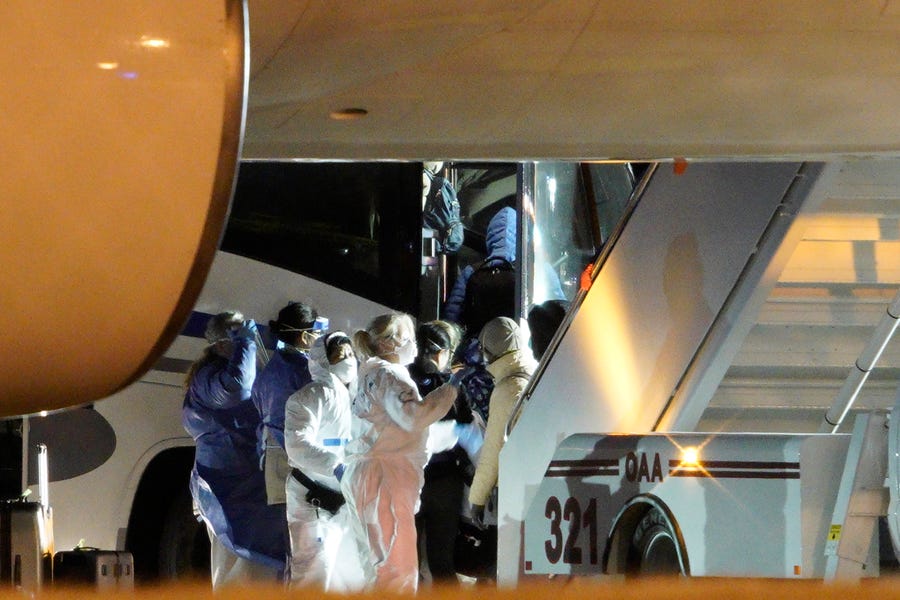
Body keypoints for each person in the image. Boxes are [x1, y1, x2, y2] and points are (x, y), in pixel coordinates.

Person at [340, 313, 466, 594]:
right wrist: (451, 389)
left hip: (367, 477)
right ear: (386, 344)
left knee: (376, 569)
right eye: (406, 338)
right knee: (397, 571)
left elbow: (394, 431)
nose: (413, 344)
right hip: (384, 481)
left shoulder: (366, 374)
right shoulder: (388, 374)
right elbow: (412, 418)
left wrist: (451, 434)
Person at [182, 311, 286, 588]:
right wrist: (247, 344)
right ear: (220, 344)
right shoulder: (208, 378)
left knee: (253, 568)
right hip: (226, 489)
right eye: (237, 335)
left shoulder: (238, 369)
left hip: (246, 485)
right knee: (235, 568)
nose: (249, 340)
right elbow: (237, 388)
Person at [283, 331, 357, 590]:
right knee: (312, 576)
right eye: (340, 355)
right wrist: (334, 465)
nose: (348, 359)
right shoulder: (311, 395)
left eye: (350, 354)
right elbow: (296, 445)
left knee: (333, 575)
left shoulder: (346, 393)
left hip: (336, 500)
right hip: (312, 500)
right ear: (322, 359)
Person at [407, 320, 479, 585]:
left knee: (406, 562)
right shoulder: (450, 387)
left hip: (407, 479)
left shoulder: (399, 382)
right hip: (444, 484)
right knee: (442, 562)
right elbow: (467, 429)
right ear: (440, 352)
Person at [252, 301, 325, 507]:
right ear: (304, 337)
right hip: (299, 459)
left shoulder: (268, 371)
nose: (320, 338)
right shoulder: (306, 372)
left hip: (273, 456)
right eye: (317, 333)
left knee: (281, 529)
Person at [468, 317, 537, 529]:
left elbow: (493, 450)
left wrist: (476, 498)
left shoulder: (507, 388)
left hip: (515, 488)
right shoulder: (534, 372)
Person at [443, 205, 517, 339]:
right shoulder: (532, 271)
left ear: (490, 235)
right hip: (517, 342)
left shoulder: (473, 270)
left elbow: (453, 312)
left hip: (480, 343)